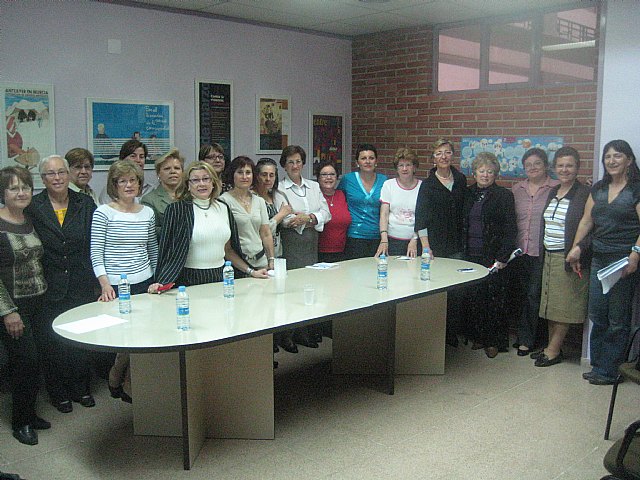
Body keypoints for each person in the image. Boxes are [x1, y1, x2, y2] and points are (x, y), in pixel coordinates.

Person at [26, 155, 98, 413]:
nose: (56, 178)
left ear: (68, 175)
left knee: (80, 338)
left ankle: (81, 388)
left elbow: (95, 242)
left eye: (61, 172)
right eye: (50, 174)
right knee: (52, 342)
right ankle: (59, 393)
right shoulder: (34, 207)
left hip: (81, 282)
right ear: (42, 179)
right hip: (49, 285)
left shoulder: (85, 203)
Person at [567, 139, 640, 385]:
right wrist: (576, 249)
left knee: (618, 319)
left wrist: (635, 254)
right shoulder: (598, 189)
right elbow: (587, 221)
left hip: (623, 264)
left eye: (617, 156)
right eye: (608, 156)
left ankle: (610, 370)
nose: (611, 160)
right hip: (599, 259)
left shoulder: (636, 189)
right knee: (598, 314)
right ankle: (598, 365)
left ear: (629, 160)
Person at [91, 159, 158, 402]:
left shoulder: (147, 212)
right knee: (125, 338)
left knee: (144, 336)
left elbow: (152, 248)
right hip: (117, 286)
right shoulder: (103, 212)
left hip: (145, 281)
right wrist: (105, 284)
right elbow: (96, 251)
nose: (129, 185)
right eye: (123, 181)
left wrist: (156, 279)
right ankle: (117, 375)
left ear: (139, 184)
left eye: (133, 180)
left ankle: (129, 383)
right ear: (114, 185)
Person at [148, 162, 268, 293]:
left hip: (221, 276)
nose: (201, 184)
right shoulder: (177, 210)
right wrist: (160, 281)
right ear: (188, 185)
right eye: (195, 180)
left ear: (213, 183)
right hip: (189, 279)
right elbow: (166, 249)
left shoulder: (223, 207)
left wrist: (251, 271)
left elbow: (228, 250)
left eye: (206, 179)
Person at [0, 166, 50, 445]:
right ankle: (20, 422)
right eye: (14, 188)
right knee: (24, 364)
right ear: (3, 192)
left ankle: (29, 413)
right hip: (12, 306)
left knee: (36, 361)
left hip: (39, 301)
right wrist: (8, 312)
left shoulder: (30, 219)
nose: (21, 193)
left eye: (26, 187)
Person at [532, 147, 591, 367]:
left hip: (569, 259)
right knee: (550, 305)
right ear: (554, 168)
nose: (564, 169)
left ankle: (553, 349)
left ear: (577, 168)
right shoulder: (553, 191)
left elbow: (592, 227)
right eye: (560, 165)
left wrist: (579, 248)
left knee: (565, 306)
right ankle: (552, 347)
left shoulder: (585, 194)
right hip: (549, 256)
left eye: (569, 165)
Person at [414, 139, 469, 346]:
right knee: (435, 291)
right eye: (439, 153)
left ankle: (452, 333)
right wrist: (426, 247)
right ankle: (434, 335)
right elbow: (421, 218)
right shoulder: (428, 185)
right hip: (435, 247)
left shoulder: (461, 180)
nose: (443, 157)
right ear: (433, 159)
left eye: (447, 152)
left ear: (452, 155)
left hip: (457, 246)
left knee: (456, 292)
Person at [462, 152, 517, 358]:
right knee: (475, 297)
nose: (485, 175)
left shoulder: (504, 196)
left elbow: (511, 228)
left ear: (496, 174)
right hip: (470, 254)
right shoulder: (468, 194)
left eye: (490, 171)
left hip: (493, 256)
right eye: (481, 171)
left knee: (494, 299)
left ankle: (494, 341)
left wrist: (503, 257)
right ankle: (478, 336)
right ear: (474, 173)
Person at [278, 146, 331, 349]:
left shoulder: (314, 186)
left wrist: (308, 217)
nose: (295, 165)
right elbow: (285, 220)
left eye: (298, 161)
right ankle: (287, 335)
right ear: (284, 165)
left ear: (303, 163)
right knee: (292, 289)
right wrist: (308, 218)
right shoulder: (280, 189)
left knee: (310, 287)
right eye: (290, 162)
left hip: (311, 243)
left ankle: (304, 331)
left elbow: (325, 212)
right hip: (292, 244)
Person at [512, 148, 560, 356]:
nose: (532, 168)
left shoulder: (556, 188)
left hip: (543, 251)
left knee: (534, 295)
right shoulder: (516, 189)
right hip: (518, 251)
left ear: (546, 166)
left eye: (537, 163)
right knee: (521, 294)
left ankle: (527, 340)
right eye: (528, 165)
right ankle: (529, 336)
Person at [220, 156, 275, 272]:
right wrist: (250, 271)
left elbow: (265, 233)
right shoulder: (223, 201)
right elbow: (226, 247)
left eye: (248, 172)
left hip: (261, 262)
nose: (245, 177)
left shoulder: (259, 201)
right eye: (240, 172)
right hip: (237, 265)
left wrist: (271, 260)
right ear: (232, 175)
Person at [338, 144, 387, 259]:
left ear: (376, 161)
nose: (367, 161)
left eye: (371, 158)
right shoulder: (348, 179)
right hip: (354, 236)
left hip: (378, 237)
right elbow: (339, 201)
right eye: (363, 158)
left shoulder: (384, 181)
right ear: (357, 162)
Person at [376, 148, 422, 258]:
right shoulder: (389, 185)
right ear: (397, 168)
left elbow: (423, 217)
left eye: (408, 165)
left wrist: (415, 238)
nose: (404, 169)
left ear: (414, 167)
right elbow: (384, 214)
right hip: (392, 241)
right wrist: (384, 240)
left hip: (415, 241)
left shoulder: (422, 187)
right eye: (401, 165)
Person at [254, 158, 292, 258]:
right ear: (257, 176)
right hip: (259, 254)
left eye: (272, 175)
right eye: (264, 175)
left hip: (277, 251)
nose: (268, 179)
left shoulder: (275, 195)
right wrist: (281, 215)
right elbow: (258, 231)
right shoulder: (252, 198)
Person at [141, 148, 184, 235]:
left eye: (177, 168)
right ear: (158, 174)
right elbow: (151, 231)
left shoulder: (190, 196)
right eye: (167, 168)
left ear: (182, 172)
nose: (173, 172)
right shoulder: (149, 200)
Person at [317, 161, 351, 263]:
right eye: (324, 174)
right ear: (318, 178)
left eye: (332, 174)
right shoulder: (314, 196)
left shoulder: (343, 195)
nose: (328, 177)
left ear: (337, 177)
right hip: (319, 253)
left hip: (344, 252)